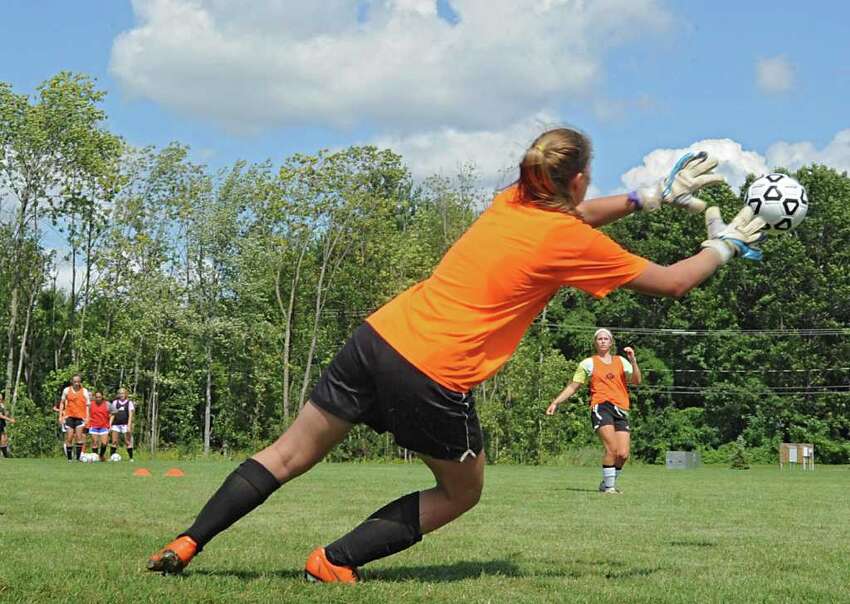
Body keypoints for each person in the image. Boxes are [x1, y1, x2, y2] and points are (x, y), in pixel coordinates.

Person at [147, 127, 766, 580]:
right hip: (433, 372)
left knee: (285, 454)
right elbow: (676, 279)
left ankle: (186, 543)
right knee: (461, 490)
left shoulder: (513, 201)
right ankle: (333, 561)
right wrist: (730, 241)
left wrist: (649, 197)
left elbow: (578, 214)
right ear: (576, 180)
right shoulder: (567, 238)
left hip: (380, 336)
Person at [546, 329, 640, 493]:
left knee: (623, 454)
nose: (603, 341)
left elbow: (637, 381)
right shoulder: (587, 363)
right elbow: (574, 386)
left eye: (606, 339)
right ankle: (610, 488)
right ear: (595, 343)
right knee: (612, 448)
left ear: (611, 343)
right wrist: (556, 402)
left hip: (621, 409)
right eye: (599, 339)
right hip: (601, 407)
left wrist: (633, 361)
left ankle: (606, 483)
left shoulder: (622, 361)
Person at [60, 375, 91, 462]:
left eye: (78, 381)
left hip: (80, 417)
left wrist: (87, 417)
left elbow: (88, 405)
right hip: (69, 416)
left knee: (79, 437)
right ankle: (69, 459)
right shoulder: (66, 390)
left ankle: (78, 458)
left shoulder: (84, 391)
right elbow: (62, 403)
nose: (77, 383)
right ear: (72, 382)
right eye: (75, 382)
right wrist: (61, 416)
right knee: (69, 437)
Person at [109, 388, 134, 461]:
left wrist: (129, 425)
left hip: (125, 425)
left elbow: (130, 415)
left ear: (126, 394)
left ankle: (131, 458)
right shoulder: (115, 402)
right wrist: (110, 424)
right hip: (116, 425)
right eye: (120, 393)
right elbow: (113, 414)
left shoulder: (129, 403)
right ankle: (111, 457)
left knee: (127, 442)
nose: (121, 395)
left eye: (123, 393)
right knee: (114, 442)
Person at [88, 392, 111, 461]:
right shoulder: (90, 404)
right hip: (93, 425)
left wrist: (110, 422)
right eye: (96, 397)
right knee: (95, 443)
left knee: (104, 443)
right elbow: (86, 412)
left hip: (104, 426)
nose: (98, 398)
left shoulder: (107, 404)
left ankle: (101, 456)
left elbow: (114, 413)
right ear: (94, 397)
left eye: (99, 397)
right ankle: (96, 457)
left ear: (102, 397)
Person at [0, 393, 15, 458]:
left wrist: (6, 414)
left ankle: (6, 457)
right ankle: (6, 456)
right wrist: (10, 420)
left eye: (1, 398)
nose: (0, 400)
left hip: (2, 425)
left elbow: (3, 414)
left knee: (5, 440)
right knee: (3, 440)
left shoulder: (2, 405)